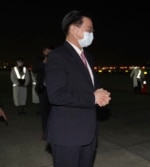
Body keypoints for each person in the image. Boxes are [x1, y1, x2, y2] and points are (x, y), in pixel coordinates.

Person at [44, 10, 111, 167]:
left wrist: (101, 94)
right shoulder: (58, 56)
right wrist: (92, 98)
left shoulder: (87, 57)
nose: (92, 34)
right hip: (68, 135)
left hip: (88, 133)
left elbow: (91, 85)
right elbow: (56, 95)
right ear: (74, 29)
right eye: (89, 30)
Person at [32, 45, 54, 137]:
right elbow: (34, 69)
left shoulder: (56, 60)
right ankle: (46, 133)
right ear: (43, 52)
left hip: (54, 90)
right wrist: (43, 63)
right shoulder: (39, 60)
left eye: (50, 51)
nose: (48, 53)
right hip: (43, 89)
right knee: (44, 112)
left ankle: (54, 132)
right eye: (46, 51)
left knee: (54, 112)